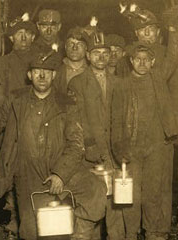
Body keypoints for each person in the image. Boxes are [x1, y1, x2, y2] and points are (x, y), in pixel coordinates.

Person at [0, 51, 107, 240]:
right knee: (31, 231)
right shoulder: (16, 100)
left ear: (54, 75)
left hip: (57, 169)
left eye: (47, 71)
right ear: (29, 75)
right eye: (37, 72)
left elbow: (76, 144)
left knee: (93, 193)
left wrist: (60, 174)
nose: (42, 76)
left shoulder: (66, 103)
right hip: (26, 173)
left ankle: (78, 235)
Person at [111, 16, 178, 240]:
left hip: (156, 147)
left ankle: (154, 233)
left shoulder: (158, 78)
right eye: (137, 59)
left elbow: (173, 56)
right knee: (131, 195)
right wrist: (119, 148)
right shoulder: (122, 85)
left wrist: (174, 30)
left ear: (153, 62)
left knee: (153, 193)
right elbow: (115, 121)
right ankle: (132, 234)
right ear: (131, 61)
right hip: (132, 148)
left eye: (147, 59)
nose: (142, 63)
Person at [0, 15, 38, 239]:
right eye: (18, 33)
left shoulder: (40, 61)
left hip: (36, 130)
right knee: (12, 180)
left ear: (33, 37)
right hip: (9, 129)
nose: (23, 37)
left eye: (27, 33)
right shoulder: (2, 63)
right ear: (11, 37)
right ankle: (15, 224)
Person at [68, 31, 125, 239]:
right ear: (88, 56)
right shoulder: (77, 83)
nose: (101, 57)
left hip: (115, 152)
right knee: (92, 203)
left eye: (105, 53)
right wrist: (92, 149)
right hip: (90, 155)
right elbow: (77, 122)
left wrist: (120, 149)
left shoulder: (119, 83)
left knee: (116, 205)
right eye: (96, 53)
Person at [53, 26, 89, 95]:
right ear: (65, 47)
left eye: (80, 44)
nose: (74, 48)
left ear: (86, 48)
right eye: (71, 44)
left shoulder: (93, 71)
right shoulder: (56, 72)